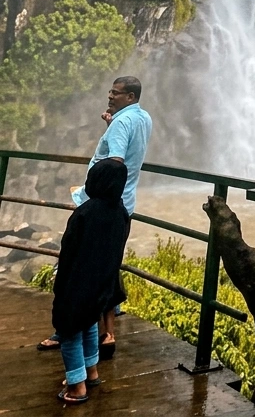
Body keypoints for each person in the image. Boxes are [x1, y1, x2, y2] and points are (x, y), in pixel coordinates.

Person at [38, 76, 152, 358]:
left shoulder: (122, 124)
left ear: (130, 96)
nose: (110, 96)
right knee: (106, 268)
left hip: (102, 206)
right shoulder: (143, 118)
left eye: (117, 93)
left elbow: (115, 164)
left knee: (80, 272)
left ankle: (68, 333)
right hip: (124, 206)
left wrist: (93, 194)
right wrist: (111, 125)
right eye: (111, 91)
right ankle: (107, 333)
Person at [53, 158, 130, 404]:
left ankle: (77, 386)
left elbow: (68, 253)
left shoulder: (84, 213)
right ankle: (91, 372)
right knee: (89, 324)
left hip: (77, 283)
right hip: (102, 284)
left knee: (69, 330)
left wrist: (60, 282)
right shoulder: (121, 212)